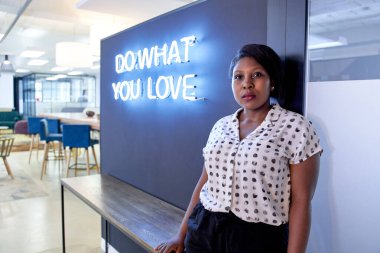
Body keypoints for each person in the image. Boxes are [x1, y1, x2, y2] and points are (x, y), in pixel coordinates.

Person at [155, 44, 322, 253]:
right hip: (204, 230)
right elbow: (205, 181)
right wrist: (180, 234)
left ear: (272, 82)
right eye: (238, 77)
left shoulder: (295, 127)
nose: (247, 84)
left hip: (257, 239)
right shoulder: (221, 126)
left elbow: (301, 201)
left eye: (257, 75)